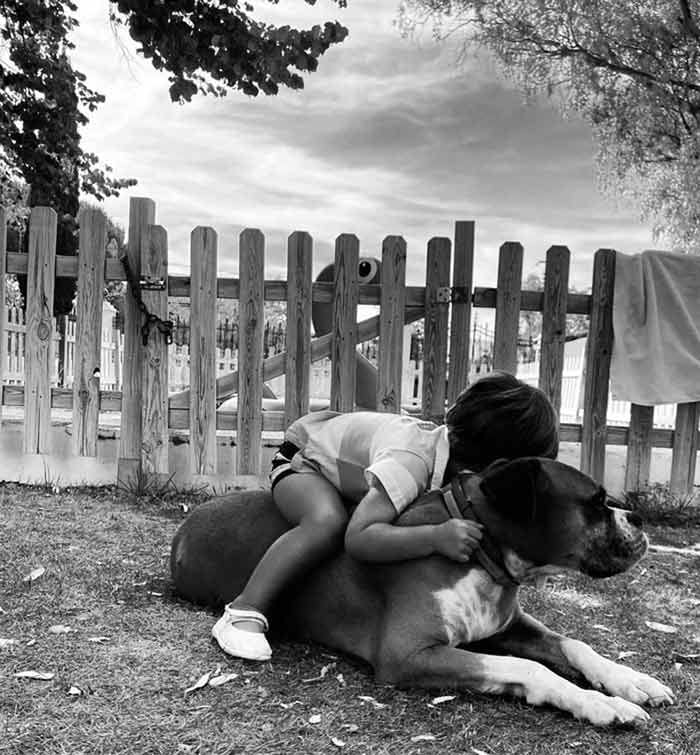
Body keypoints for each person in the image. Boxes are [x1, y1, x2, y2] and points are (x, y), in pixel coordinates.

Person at [212, 372, 559, 661]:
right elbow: (359, 539)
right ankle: (244, 611)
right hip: (305, 461)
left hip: (352, 469)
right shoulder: (410, 463)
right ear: (488, 466)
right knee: (327, 522)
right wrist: (434, 537)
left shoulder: (448, 461)